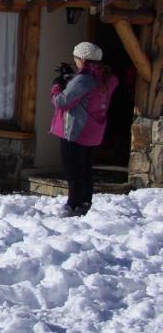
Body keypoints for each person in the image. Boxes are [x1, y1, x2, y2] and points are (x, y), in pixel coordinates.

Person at [51, 41, 119, 217]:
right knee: (86, 169)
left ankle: (73, 205)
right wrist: (71, 79)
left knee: (73, 171)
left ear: (82, 58)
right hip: (93, 131)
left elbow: (61, 102)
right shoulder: (105, 78)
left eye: (76, 59)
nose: (75, 63)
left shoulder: (84, 80)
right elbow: (85, 96)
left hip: (75, 132)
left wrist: (57, 84)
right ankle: (85, 202)